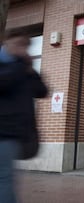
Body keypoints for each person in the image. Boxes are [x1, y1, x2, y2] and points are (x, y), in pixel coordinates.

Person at [0, 29, 48, 203]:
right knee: (5, 179)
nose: (22, 49)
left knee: (7, 178)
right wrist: (20, 66)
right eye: (18, 45)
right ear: (7, 43)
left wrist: (31, 71)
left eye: (25, 46)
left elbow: (42, 91)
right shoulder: (10, 66)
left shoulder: (22, 67)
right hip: (3, 131)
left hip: (18, 132)